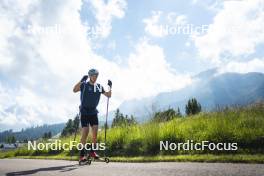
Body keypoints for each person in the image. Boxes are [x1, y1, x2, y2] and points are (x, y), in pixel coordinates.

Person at [73, 68, 111, 162]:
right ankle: (82, 155)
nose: (95, 77)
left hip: (93, 112)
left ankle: (92, 152)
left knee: (95, 133)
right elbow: (74, 90)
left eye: (96, 75)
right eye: (94, 75)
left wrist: (110, 87)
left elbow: (108, 95)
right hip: (84, 112)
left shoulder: (98, 86)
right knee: (85, 132)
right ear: (90, 76)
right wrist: (81, 80)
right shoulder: (84, 85)